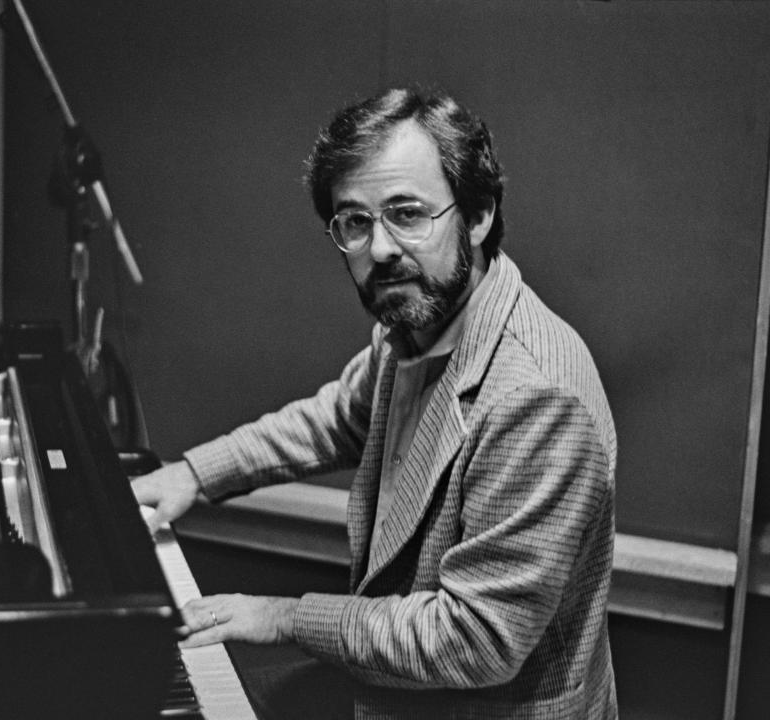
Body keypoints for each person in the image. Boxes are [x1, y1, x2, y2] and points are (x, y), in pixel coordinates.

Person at [131, 88, 618, 720]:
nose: (380, 249)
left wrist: (284, 616)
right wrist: (193, 474)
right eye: (355, 222)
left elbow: (475, 640)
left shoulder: (536, 396)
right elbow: (337, 417)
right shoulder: (416, 324)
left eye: (407, 213)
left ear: (477, 216)